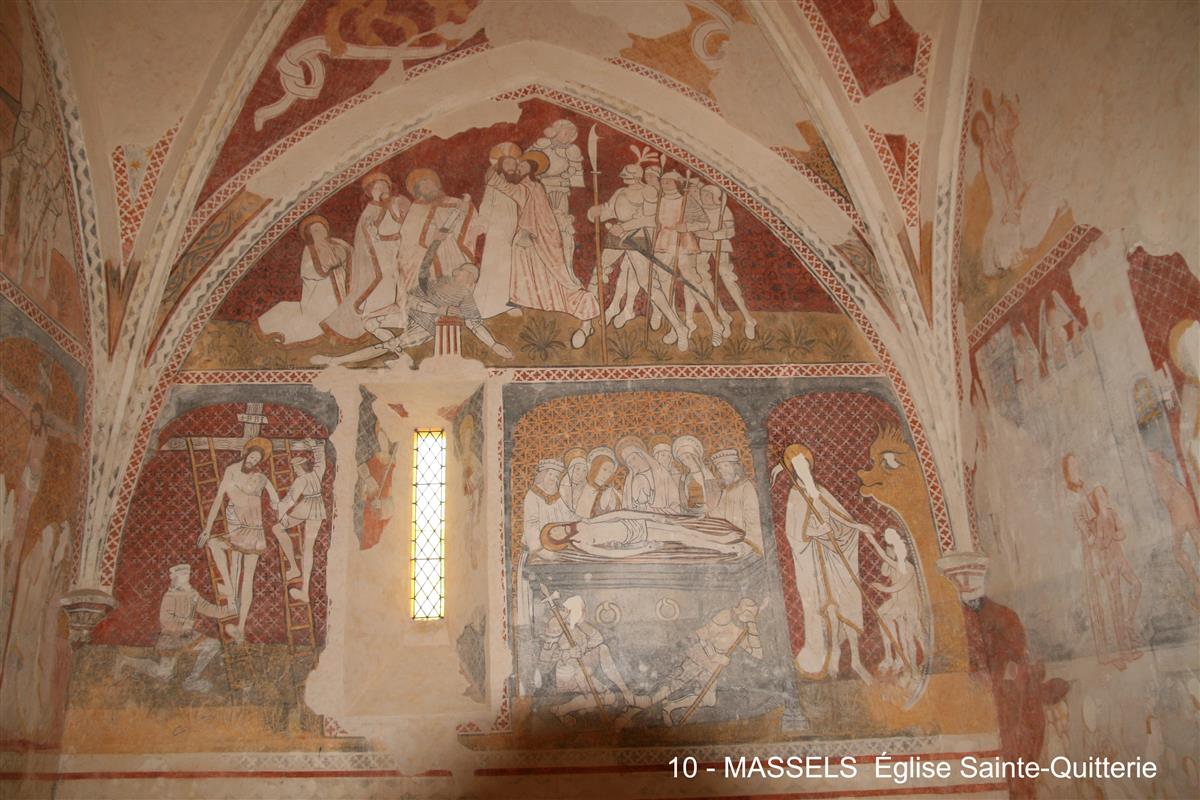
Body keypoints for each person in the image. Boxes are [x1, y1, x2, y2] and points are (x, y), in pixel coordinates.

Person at [772, 443, 873, 683]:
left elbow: (839, 515)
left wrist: (856, 526)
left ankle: (857, 659)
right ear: (793, 470)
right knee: (829, 607)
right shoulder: (796, 495)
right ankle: (834, 655)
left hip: (835, 555)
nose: (802, 469)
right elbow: (793, 532)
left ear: (809, 465)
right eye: (797, 466)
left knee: (847, 602)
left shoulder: (820, 491)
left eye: (804, 464)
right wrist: (815, 531)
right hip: (814, 560)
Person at [483, 153, 599, 348]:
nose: (518, 169)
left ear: (531, 171)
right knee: (532, 276)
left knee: (548, 277)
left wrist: (495, 165)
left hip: (535, 240)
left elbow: (500, 185)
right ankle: (531, 305)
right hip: (534, 240)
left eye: (523, 167)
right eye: (518, 166)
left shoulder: (530, 188)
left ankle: (583, 317)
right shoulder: (529, 187)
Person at [311, 263, 513, 366]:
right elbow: (410, 299)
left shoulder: (465, 296)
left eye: (460, 271)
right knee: (370, 323)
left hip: (426, 327)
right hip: (410, 316)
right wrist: (432, 308)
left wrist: (494, 345)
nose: (455, 272)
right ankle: (402, 356)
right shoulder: (438, 283)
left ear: (470, 277)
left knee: (386, 345)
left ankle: (335, 361)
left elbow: (474, 324)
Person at [1061, 453, 1142, 668]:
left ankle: (1124, 649)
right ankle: (1108, 655)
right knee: (1099, 600)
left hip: (1103, 546)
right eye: (1071, 467)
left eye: (1077, 465)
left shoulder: (1085, 490)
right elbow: (1080, 522)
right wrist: (1092, 539)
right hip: (1091, 550)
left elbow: (1099, 513)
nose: (1076, 469)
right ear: (1066, 472)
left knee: (1114, 597)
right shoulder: (1070, 495)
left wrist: (1105, 533)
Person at [197, 437, 281, 644]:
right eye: (252, 456)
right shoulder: (232, 471)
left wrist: (275, 502)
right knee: (215, 545)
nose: (253, 461)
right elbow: (218, 498)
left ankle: (240, 626)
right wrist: (207, 529)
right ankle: (230, 592)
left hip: (253, 533)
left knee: (247, 579)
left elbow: (274, 497)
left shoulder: (259, 477)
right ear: (246, 454)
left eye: (257, 460)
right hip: (242, 530)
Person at [322, 172, 410, 339]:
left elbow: (408, 222)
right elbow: (364, 239)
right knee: (385, 281)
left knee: (401, 280)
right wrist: (377, 241)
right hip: (379, 256)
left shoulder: (397, 201)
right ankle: (376, 317)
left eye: (384, 185)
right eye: (377, 187)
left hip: (399, 250)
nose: (382, 189)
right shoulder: (370, 210)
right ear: (370, 191)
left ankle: (398, 314)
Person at [113, 564, 228, 693]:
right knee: (163, 674)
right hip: (171, 638)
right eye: (183, 575)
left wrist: (230, 610)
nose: (186, 577)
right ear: (176, 578)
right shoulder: (170, 596)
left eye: (187, 574)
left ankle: (191, 679)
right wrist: (188, 623)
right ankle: (125, 660)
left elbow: (208, 608)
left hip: (188, 636)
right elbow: (165, 619)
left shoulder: (192, 594)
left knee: (213, 645)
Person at [651, 598, 763, 725]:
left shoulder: (742, 630)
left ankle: (670, 707)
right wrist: (715, 656)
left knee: (709, 700)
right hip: (699, 658)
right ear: (739, 609)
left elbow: (758, 654)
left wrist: (752, 626)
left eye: (751, 615)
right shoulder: (724, 616)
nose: (748, 616)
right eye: (747, 613)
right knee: (672, 686)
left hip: (712, 667)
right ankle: (642, 704)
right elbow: (702, 636)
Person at [535, 594, 640, 724]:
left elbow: (598, 639)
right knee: (602, 692)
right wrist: (567, 654)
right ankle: (562, 710)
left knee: (610, 696)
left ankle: (562, 710)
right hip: (567, 676)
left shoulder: (580, 625)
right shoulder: (555, 625)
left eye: (580, 611)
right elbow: (544, 662)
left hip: (583, 672)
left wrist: (582, 644)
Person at [257, 215, 351, 344]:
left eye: (321, 229)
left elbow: (350, 255)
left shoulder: (338, 244)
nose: (319, 233)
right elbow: (310, 272)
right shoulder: (309, 250)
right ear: (310, 235)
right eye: (315, 231)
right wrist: (328, 263)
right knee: (298, 314)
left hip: (341, 290)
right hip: (318, 295)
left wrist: (337, 258)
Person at [655, 172, 722, 347]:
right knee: (664, 285)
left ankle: (715, 324)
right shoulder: (659, 200)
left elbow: (703, 222)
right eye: (663, 181)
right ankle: (675, 327)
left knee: (692, 283)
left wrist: (687, 226)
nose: (665, 184)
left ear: (677, 183)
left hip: (683, 241)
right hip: (664, 242)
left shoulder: (686, 200)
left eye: (669, 181)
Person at [539, 509, 747, 559]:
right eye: (555, 534)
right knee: (681, 537)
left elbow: (618, 514)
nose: (558, 530)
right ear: (560, 541)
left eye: (555, 528)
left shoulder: (582, 523)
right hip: (636, 536)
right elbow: (611, 554)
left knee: (681, 529)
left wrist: (650, 516)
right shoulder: (580, 543)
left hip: (637, 522)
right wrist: (642, 549)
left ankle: (720, 539)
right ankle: (724, 548)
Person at [517, 460, 578, 625]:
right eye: (550, 474)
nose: (553, 479)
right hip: (537, 551)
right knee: (538, 593)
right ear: (543, 475)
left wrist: (582, 523)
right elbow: (531, 526)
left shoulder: (556, 496)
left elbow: (568, 516)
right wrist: (541, 550)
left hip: (556, 548)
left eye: (556, 476)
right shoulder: (532, 496)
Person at [863, 528, 926, 679]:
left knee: (911, 636)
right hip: (897, 604)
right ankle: (896, 657)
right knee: (884, 616)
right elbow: (884, 569)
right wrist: (885, 555)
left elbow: (898, 586)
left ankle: (915, 667)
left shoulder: (908, 567)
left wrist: (883, 588)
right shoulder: (893, 564)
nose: (888, 551)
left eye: (891, 548)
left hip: (909, 605)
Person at [696, 184, 756, 339]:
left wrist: (714, 235)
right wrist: (701, 232)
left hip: (720, 245)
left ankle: (748, 319)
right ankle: (723, 315)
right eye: (702, 194)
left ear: (715, 197)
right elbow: (695, 227)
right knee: (700, 277)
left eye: (707, 195)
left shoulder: (724, 210)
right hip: (703, 245)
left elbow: (730, 231)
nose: (704, 197)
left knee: (726, 275)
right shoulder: (699, 209)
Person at [271, 439, 327, 603]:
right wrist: (317, 446)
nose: (295, 471)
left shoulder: (301, 480)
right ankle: (302, 585)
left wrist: (278, 509)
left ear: (301, 467)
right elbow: (321, 460)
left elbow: (290, 499)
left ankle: (296, 572)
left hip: (307, 508)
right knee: (307, 548)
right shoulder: (317, 472)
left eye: (295, 468)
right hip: (316, 508)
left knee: (278, 529)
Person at [528, 120, 585, 271]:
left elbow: (577, 175)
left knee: (560, 224)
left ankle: (559, 261)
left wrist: (568, 175)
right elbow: (526, 164)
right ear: (555, 131)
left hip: (560, 190)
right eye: (565, 132)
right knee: (539, 223)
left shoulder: (572, 150)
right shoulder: (542, 144)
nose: (568, 136)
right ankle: (538, 259)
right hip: (540, 190)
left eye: (571, 134)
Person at [475, 142, 524, 317]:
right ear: (500, 166)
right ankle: (491, 304)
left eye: (513, 163)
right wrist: (483, 224)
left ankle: (510, 301)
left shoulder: (520, 185)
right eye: (506, 163)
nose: (510, 166)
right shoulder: (493, 185)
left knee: (514, 265)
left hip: (515, 229)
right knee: (497, 263)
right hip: (497, 229)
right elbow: (486, 205)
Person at [707, 448, 763, 553]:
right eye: (719, 468)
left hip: (747, 541)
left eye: (726, 465)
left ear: (735, 467)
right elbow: (719, 513)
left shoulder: (746, 487)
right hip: (730, 539)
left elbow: (753, 519)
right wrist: (706, 516)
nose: (722, 470)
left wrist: (748, 542)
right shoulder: (727, 490)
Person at [673, 435, 717, 515]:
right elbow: (682, 498)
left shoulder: (707, 475)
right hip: (689, 513)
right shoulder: (684, 478)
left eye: (688, 457)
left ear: (695, 456)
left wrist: (705, 510)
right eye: (682, 460)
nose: (686, 462)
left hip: (706, 513)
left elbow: (713, 497)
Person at [573, 447, 622, 518]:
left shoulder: (611, 491)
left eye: (610, 472)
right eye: (604, 469)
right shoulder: (584, 489)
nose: (606, 475)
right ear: (596, 467)